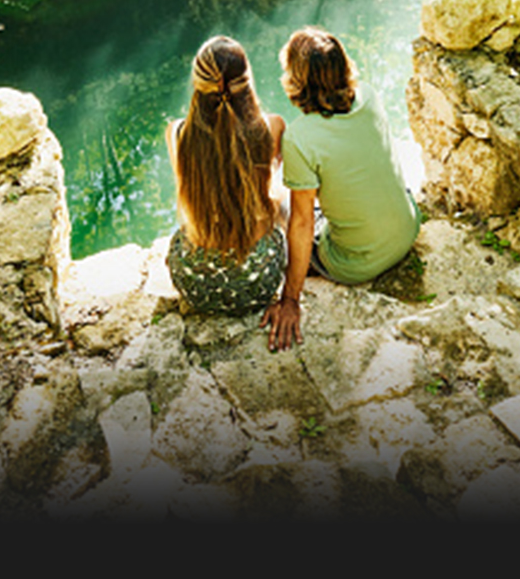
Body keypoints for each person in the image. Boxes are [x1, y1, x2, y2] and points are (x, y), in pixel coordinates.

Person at [261, 26, 421, 351]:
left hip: (354, 264)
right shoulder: (370, 95)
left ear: (297, 80)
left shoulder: (300, 137)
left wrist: (290, 299)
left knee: (281, 204)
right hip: (407, 229)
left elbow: (302, 223)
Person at [165, 35, 287, 316]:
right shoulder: (272, 127)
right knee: (282, 201)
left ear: (197, 82)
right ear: (247, 79)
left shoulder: (177, 133)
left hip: (196, 286)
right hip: (256, 283)